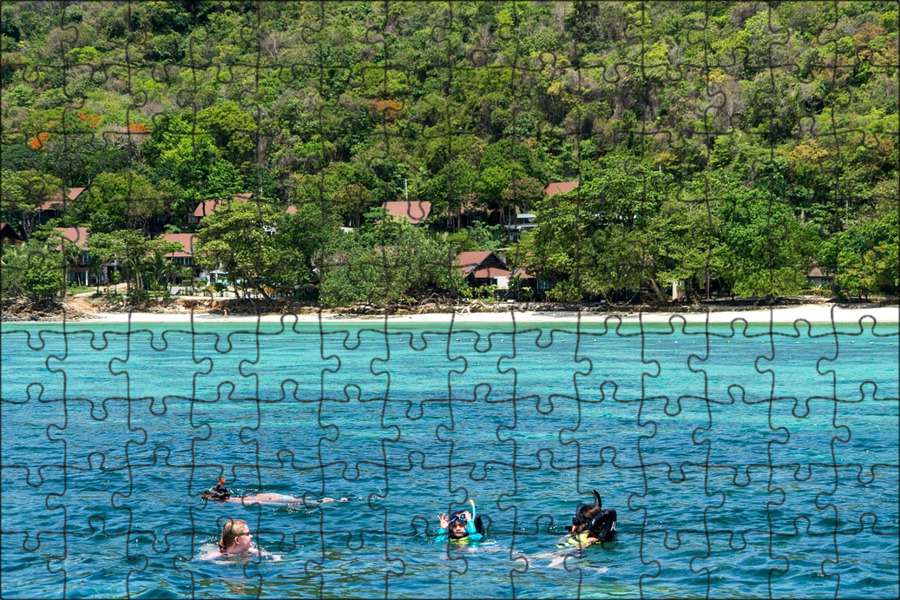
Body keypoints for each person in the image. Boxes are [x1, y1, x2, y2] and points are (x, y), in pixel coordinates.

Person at [201, 478, 345, 506]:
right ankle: (324, 501)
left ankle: (324, 502)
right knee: (296, 500)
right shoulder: (236, 496)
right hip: (263, 495)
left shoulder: (234, 502)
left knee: (299, 503)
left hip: (263, 500)